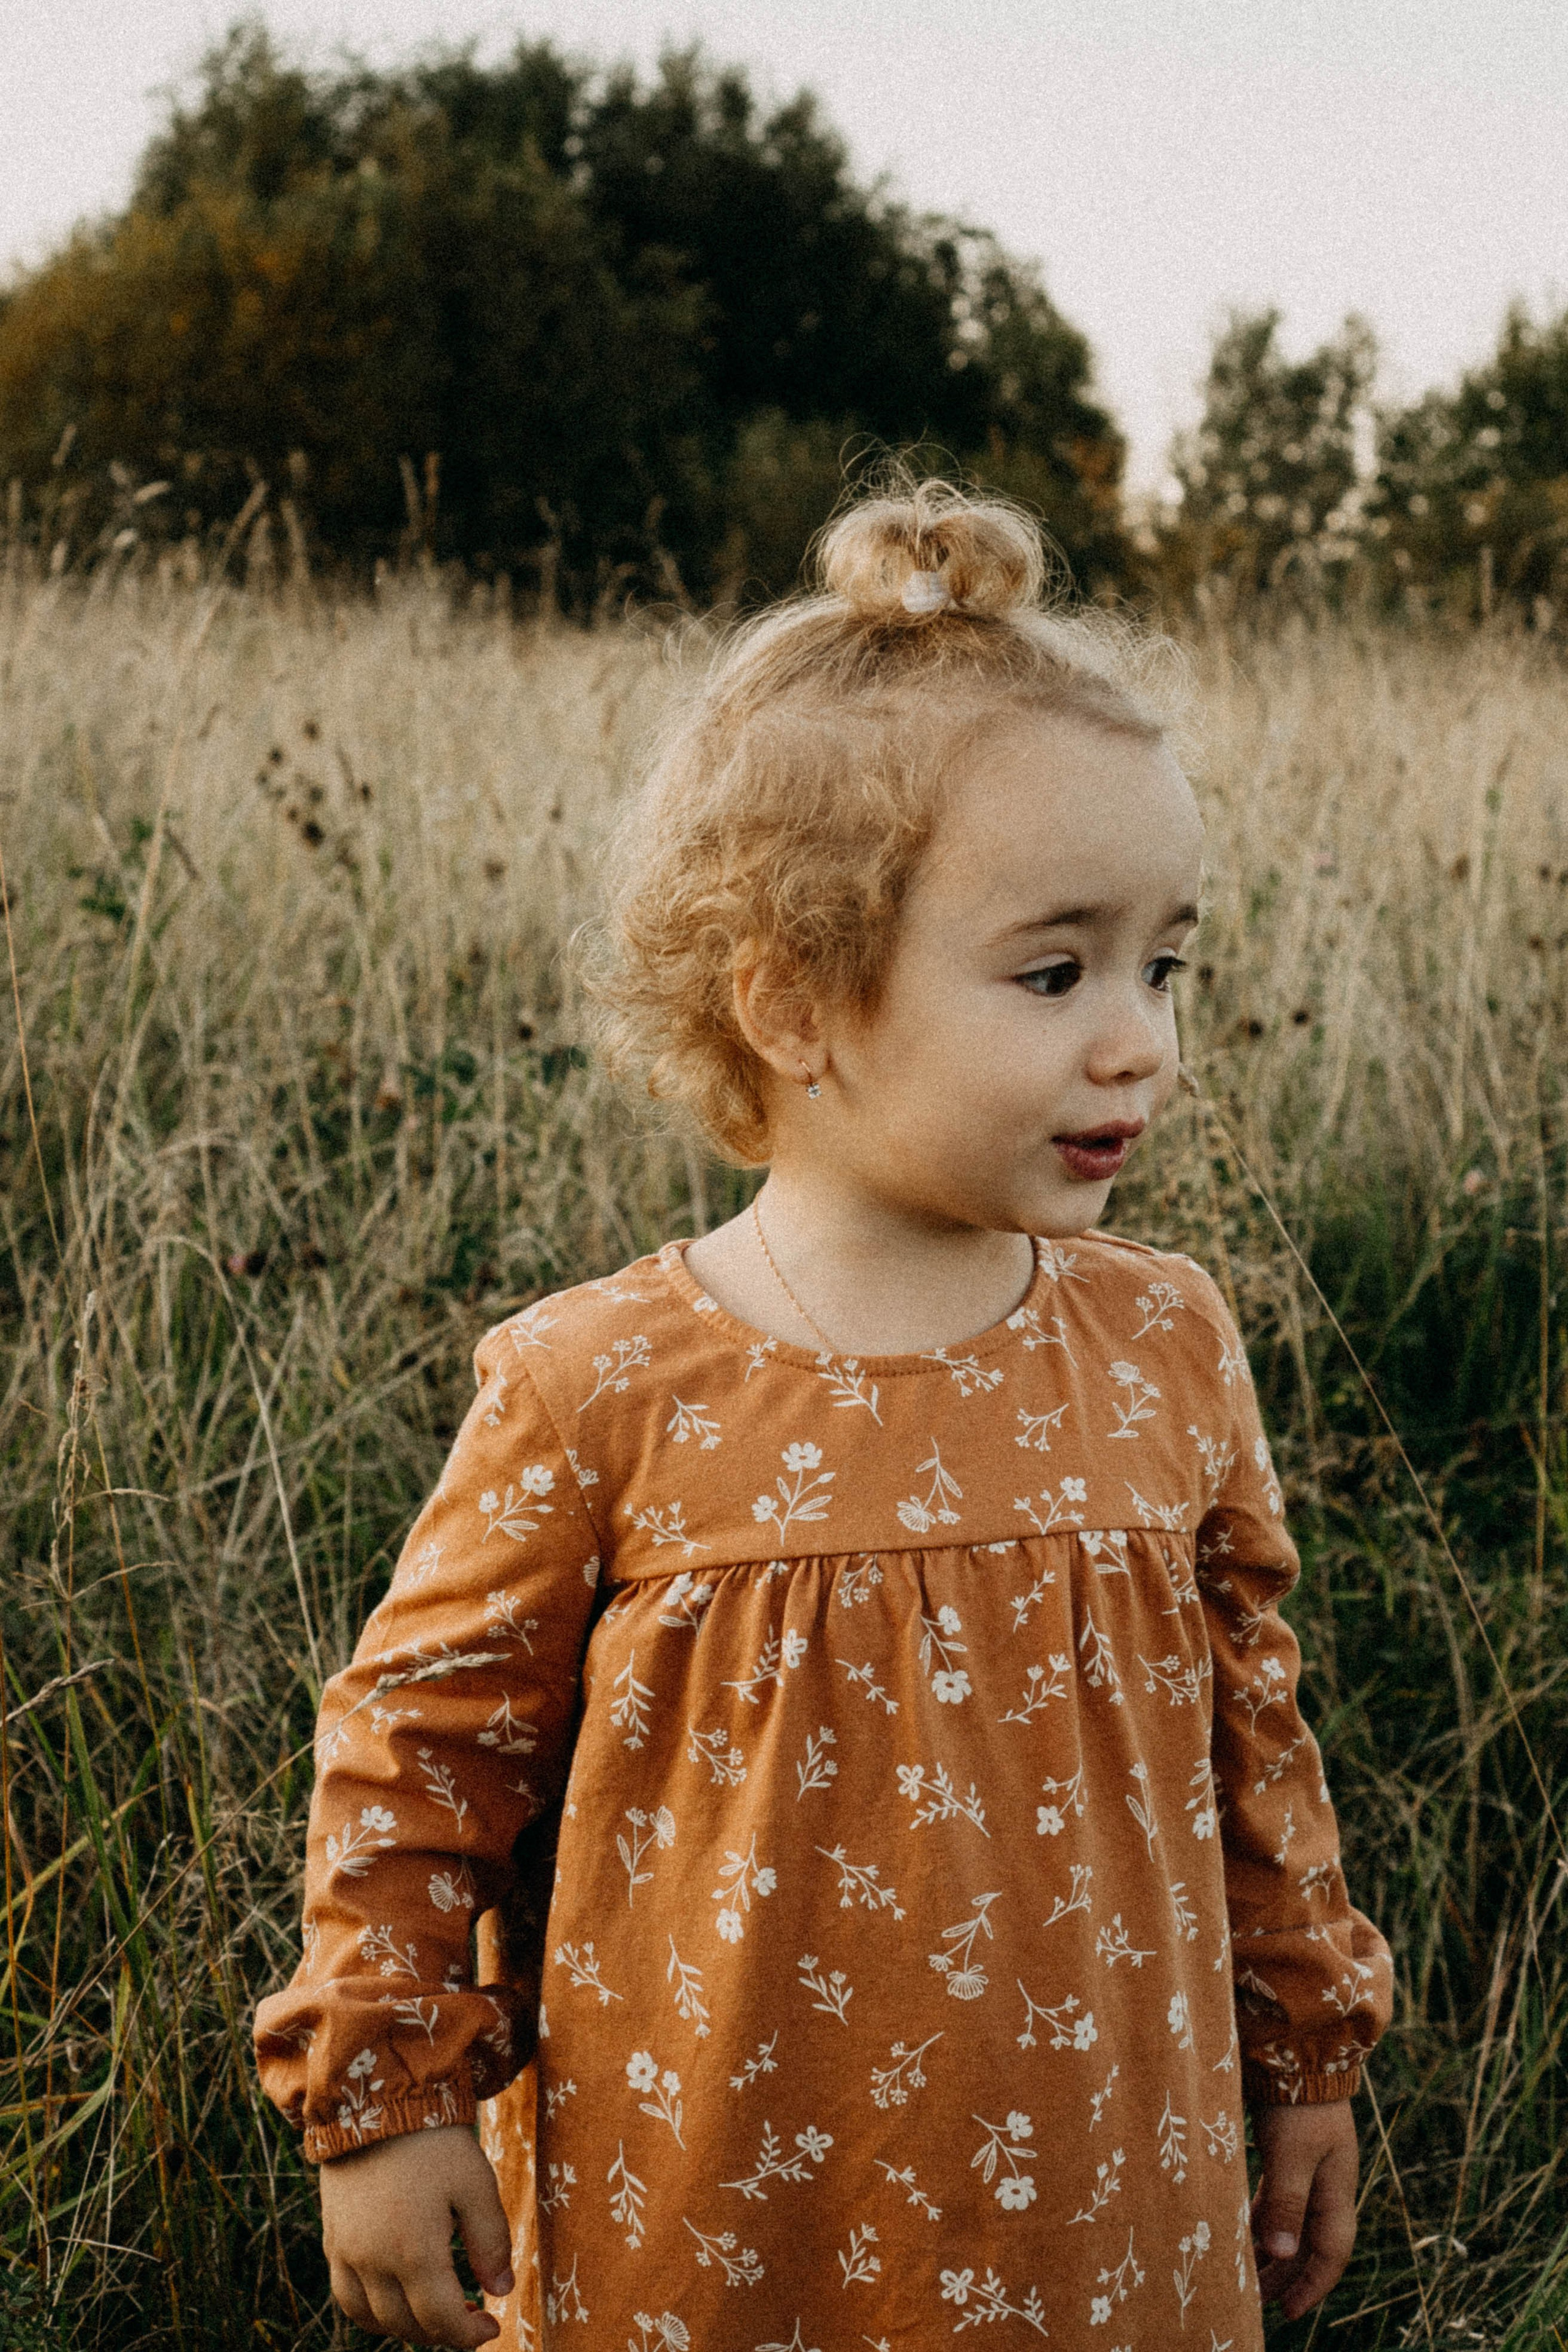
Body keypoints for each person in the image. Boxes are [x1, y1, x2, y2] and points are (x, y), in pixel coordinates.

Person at [254, 478, 1392, 2351]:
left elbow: (1251, 1737)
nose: (1142, 1038)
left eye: (1164, 963)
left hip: (1110, 2205)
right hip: (714, 2222)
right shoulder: (600, 1383)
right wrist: (384, 2101)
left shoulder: (1164, 1340)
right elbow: (417, 1755)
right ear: (793, 1001)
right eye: (1056, 971)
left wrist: (1308, 2055)